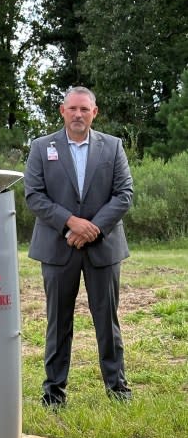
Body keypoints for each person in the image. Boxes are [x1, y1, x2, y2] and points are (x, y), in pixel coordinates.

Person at [24, 86, 133, 407]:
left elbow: (124, 194)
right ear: (62, 111)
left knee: (107, 320)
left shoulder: (112, 147)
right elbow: (34, 195)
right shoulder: (42, 148)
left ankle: (118, 390)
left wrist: (93, 228)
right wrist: (71, 222)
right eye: (72, 109)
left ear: (94, 113)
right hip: (58, 248)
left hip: (104, 248)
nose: (78, 115)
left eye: (85, 109)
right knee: (58, 322)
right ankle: (53, 394)